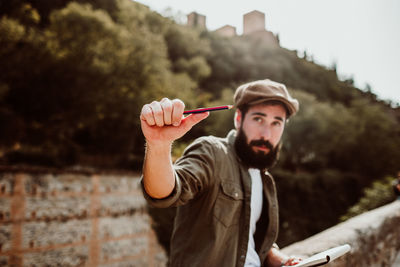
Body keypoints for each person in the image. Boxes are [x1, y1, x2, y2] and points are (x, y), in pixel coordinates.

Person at [140, 79, 301, 267]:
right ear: (238, 119)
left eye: (276, 123)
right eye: (258, 119)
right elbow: (165, 191)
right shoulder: (212, 152)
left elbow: (248, 237)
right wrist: (158, 145)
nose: (266, 134)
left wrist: (278, 258)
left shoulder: (264, 179)